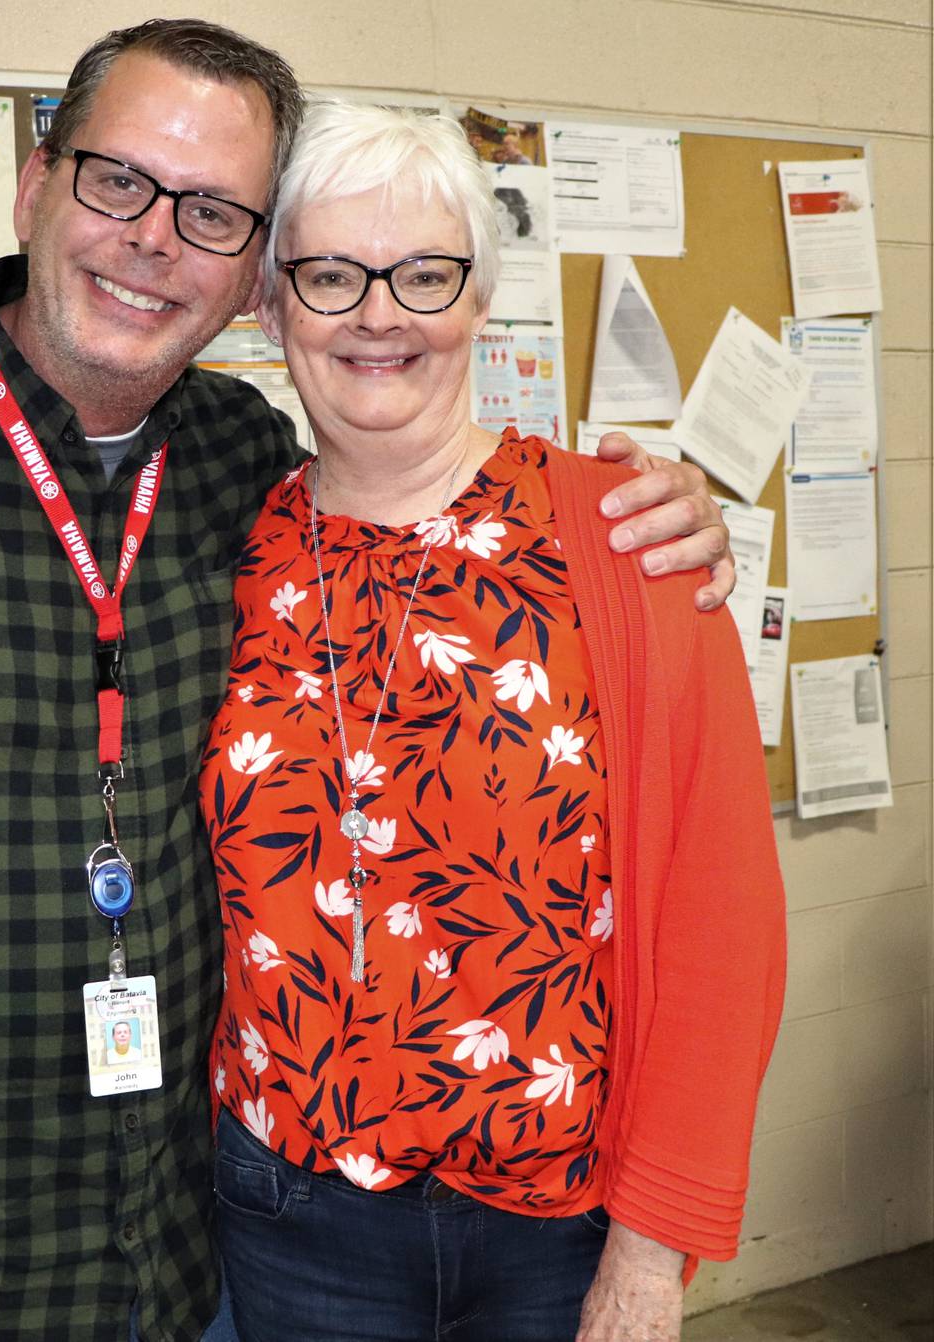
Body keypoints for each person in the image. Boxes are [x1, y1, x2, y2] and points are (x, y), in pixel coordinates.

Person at [0, 21, 735, 1342]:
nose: (152, 237)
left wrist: (665, 506)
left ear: (251, 273)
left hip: (189, 1262)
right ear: (36, 184)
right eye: (116, 180)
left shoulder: (243, 465)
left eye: (211, 211)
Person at [199, 102, 785, 1342]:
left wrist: (650, 1249)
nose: (378, 313)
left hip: (559, 1226)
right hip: (288, 1217)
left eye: (424, 273)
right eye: (329, 275)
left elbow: (722, 919)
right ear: (271, 307)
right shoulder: (223, 553)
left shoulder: (627, 541)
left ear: (479, 300)